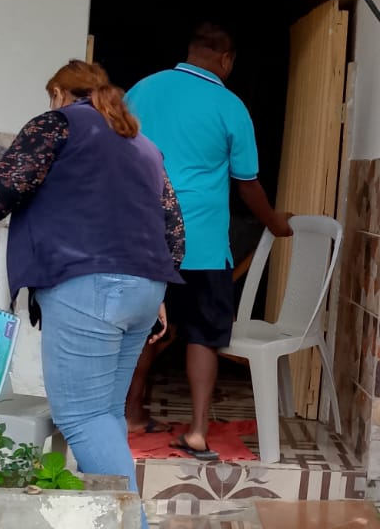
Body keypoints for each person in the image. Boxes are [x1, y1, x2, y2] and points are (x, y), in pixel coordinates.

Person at [0, 60, 184, 529]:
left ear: (58, 93)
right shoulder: (141, 144)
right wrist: (154, 287)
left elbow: (5, 185)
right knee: (105, 413)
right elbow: (173, 226)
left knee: (81, 415)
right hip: (146, 285)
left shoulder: (58, 124)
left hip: (87, 282)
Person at [124, 23, 291, 459]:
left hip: (146, 240)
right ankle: (198, 431)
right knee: (203, 335)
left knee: (146, 330)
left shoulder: (142, 89)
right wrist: (276, 224)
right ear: (226, 59)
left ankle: (132, 415)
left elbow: (115, 154)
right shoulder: (230, 105)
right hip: (202, 245)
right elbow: (247, 185)